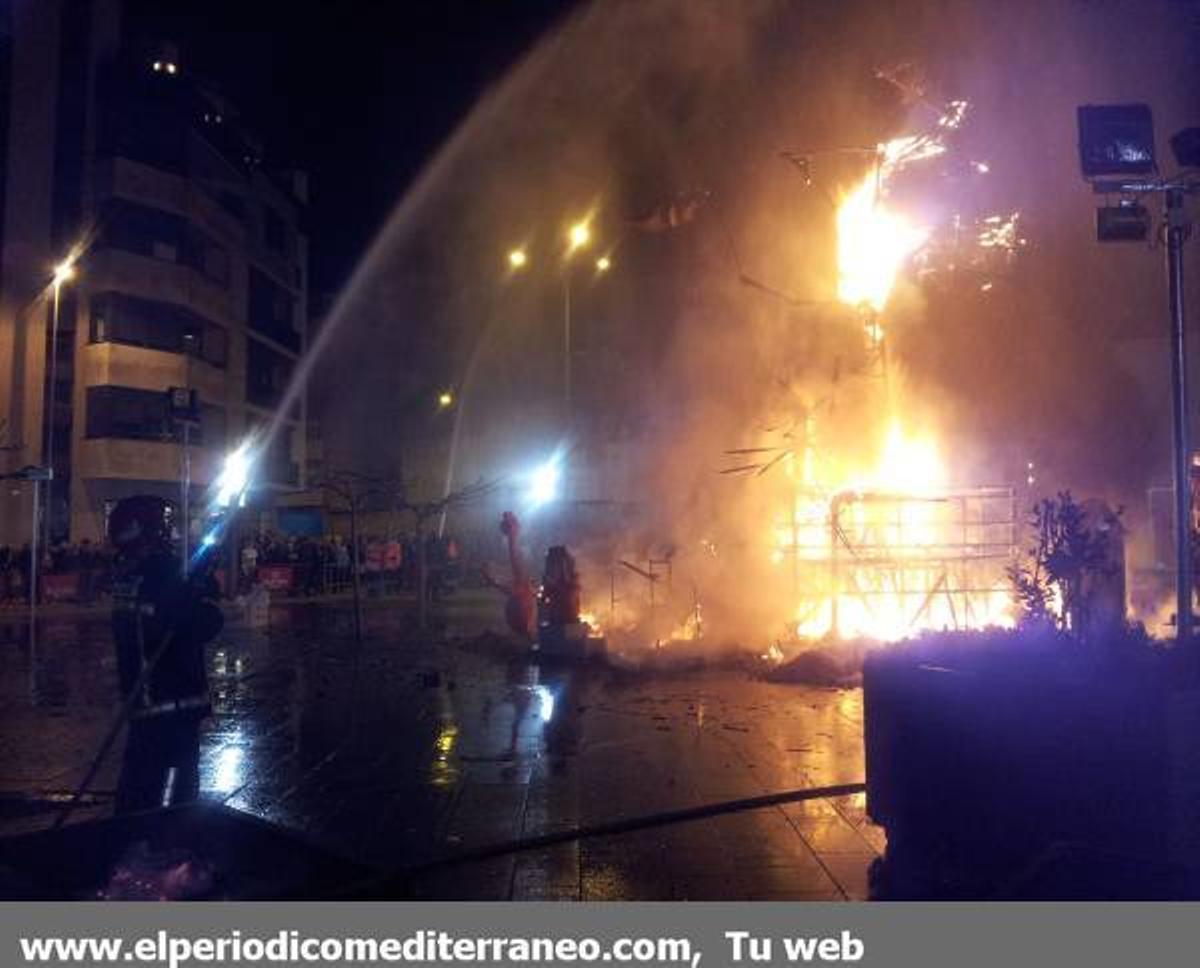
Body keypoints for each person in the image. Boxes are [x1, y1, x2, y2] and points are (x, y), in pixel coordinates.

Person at [108, 495, 223, 813]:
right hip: (174, 705)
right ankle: (163, 848)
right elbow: (204, 624)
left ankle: (129, 846)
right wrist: (199, 593)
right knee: (173, 799)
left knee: (135, 789)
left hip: (141, 704)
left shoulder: (126, 576)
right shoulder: (166, 572)